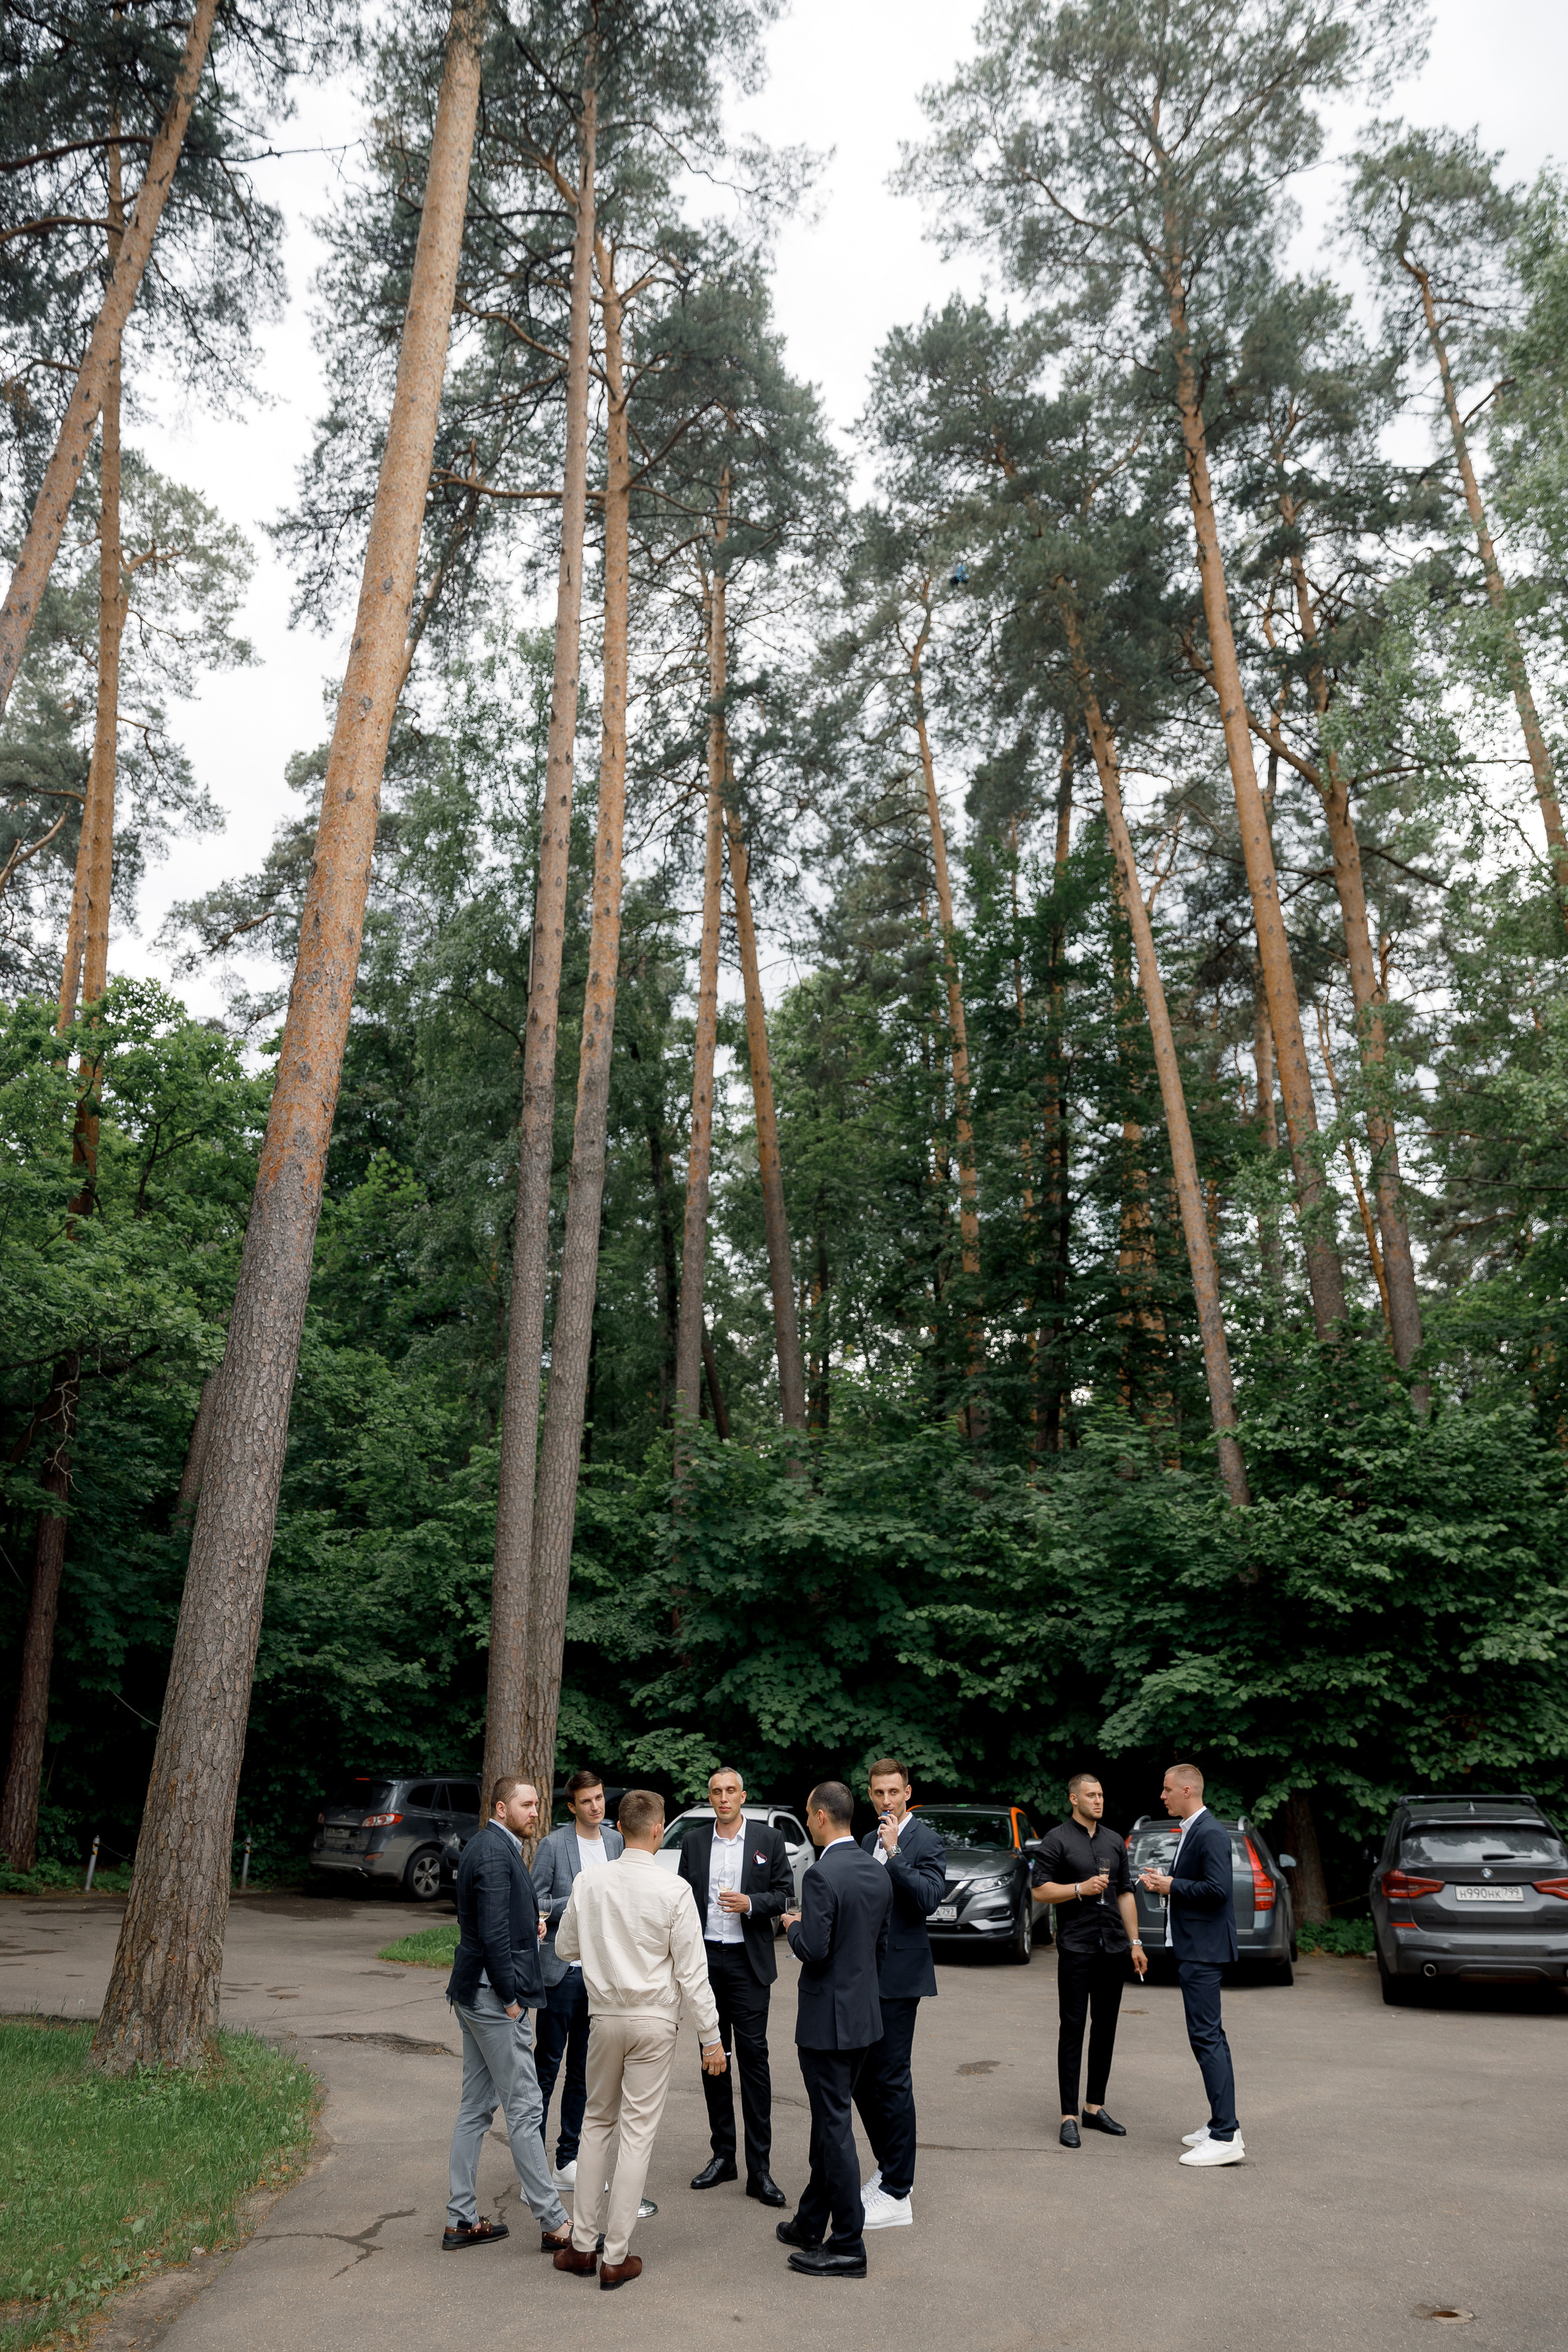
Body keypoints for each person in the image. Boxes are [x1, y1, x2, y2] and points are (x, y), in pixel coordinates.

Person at [551, 1789, 728, 2289]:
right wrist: (712, 2039)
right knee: (636, 2134)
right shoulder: (673, 1891)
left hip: (605, 2016)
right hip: (655, 2021)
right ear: (657, 1829)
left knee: (595, 2125)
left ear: (621, 1827)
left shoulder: (590, 1881)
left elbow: (565, 1948)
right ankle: (616, 2255)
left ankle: (582, 2246)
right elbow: (694, 1975)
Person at [442, 1776, 573, 2253]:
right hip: (492, 1997)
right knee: (524, 2108)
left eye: (537, 1804)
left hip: (472, 1993)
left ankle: (460, 2220)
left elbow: (493, 1921)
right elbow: (493, 1935)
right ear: (501, 1808)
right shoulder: (498, 1853)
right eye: (527, 1804)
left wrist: (529, 1924)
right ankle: (554, 2221)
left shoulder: (488, 1847)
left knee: (475, 2109)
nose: (535, 1811)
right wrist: (512, 1998)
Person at [776, 1781, 893, 2280]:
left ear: (822, 1817)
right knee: (831, 2122)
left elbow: (815, 1950)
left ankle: (848, 2244)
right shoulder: (876, 1870)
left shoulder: (822, 1875)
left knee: (834, 2129)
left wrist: (793, 1927)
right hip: (865, 2016)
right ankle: (810, 2221)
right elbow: (878, 1948)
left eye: (808, 1815)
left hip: (827, 2023)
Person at [677, 1764, 793, 2206]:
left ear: (743, 1796)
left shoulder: (768, 1840)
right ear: (710, 1798)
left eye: (731, 1791)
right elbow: (684, 1902)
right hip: (706, 1962)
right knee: (713, 2057)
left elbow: (785, 1895)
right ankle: (723, 2156)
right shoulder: (694, 1842)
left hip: (748, 1964)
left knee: (755, 2063)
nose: (723, 1798)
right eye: (716, 1791)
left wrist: (751, 1903)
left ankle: (759, 2170)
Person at [1029, 1770, 1148, 2147]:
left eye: (1101, 1795)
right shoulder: (1057, 1839)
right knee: (1073, 2028)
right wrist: (1079, 1888)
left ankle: (1094, 2108)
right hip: (1077, 1948)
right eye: (1091, 1795)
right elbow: (1039, 1891)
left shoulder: (1115, 1841)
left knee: (1106, 2028)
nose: (1098, 1800)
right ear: (1074, 1799)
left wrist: (1136, 1942)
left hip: (1113, 1948)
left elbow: (1126, 1893)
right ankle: (1068, 2115)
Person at [851, 1758, 946, 2228]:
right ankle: (888, 2166)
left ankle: (898, 2191)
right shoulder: (868, 1839)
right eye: (877, 1793)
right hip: (864, 1974)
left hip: (901, 1977)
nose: (885, 1801)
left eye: (893, 1792)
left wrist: (895, 1854)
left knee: (891, 2080)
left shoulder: (923, 1840)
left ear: (908, 1791)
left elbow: (929, 1899)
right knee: (863, 2081)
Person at [1137, 1762, 1243, 2167]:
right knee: (1210, 2036)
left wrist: (1171, 1886)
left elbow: (1218, 1891)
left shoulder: (1211, 1832)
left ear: (1187, 1790)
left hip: (1203, 1952)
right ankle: (1222, 2122)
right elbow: (1200, 1884)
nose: (1162, 1797)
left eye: (1167, 1790)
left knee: (1206, 2038)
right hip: (1195, 1949)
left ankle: (1225, 2134)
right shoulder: (1195, 1829)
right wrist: (1167, 1880)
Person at [531, 1768, 625, 2185]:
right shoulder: (553, 1845)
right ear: (572, 1806)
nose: (595, 1806)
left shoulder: (616, 1841)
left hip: (600, 1978)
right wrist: (582, 1895)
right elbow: (536, 1901)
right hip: (560, 1973)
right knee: (545, 2072)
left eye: (600, 1798)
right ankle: (533, 2169)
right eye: (586, 1801)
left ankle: (568, 2161)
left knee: (584, 2075)